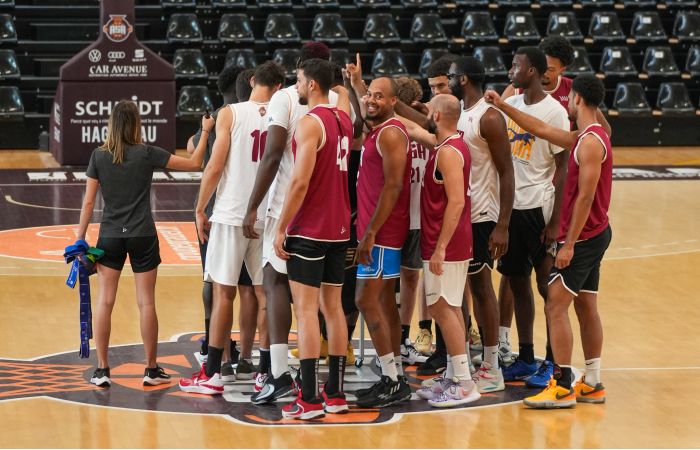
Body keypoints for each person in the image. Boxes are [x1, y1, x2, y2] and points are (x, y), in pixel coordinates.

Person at [485, 73, 613, 408]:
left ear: (579, 100)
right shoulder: (585, 135)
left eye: (571, 97)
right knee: (585, 304)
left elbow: (585, 198)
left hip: (584, 236)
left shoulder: (588, 142)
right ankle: (594, 381)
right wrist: (502, 105)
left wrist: (569, 244)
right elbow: (541, 130)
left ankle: (563, 385)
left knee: (555, 304)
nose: (567, 100)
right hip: (596, 232)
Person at [78, 100, 214, 387]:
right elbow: (194, 163)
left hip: (110, 236)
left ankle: (102, 370)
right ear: (136, 124)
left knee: (105, 301)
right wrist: (205, 131)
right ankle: (151, 369)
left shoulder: (98, 156)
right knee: (146, 302)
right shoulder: (146, 153)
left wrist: (79, 239)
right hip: (143, 235)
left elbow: (89, 201)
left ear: (112, 125)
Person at [178, 61, 286, 395]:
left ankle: (212, 372)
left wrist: (199, 207)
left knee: (223, 289)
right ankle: (265, 370)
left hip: (230, 212)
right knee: (263, 292)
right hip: (267, 214)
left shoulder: (230, 112)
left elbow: (214, 165)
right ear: (280, 87)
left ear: (253, 81)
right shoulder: (286, 114)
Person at [242, 42, 340, 404]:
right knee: (324, 301)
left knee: (276, 282)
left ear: (305, 73)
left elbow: (271, 155)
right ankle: (329, 383)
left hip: (289, 205)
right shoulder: (339, 104)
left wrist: (252, 205)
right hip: (330, 211)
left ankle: (281, 372)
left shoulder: (287, 99)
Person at [272, 59, 353, 420]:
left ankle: (307, 397)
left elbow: (300, 181)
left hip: (309, 228)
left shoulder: (310, 122)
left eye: (301, 80)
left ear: (315, 85)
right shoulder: (344, 120)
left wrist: (281, 226)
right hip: (339, 228)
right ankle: (335, 393)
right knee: (332, 308)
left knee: (305, 310)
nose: (297, 85)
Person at [345, 63, 412, 407]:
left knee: (365, 300)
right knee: (384, 301)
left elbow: (395, 185)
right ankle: (395, 374)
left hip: (382, 232)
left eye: (378, 96)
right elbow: (367, 103)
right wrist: (358, 86)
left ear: (393, 101)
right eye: (369, 94)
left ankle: (391, 378)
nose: (371, 100)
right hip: (380, 230)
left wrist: (370, 233)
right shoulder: (382, 127)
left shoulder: (390, 133)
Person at [186, 66, 259, 382]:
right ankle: (246, 355)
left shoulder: (222, 119)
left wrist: (203, 132)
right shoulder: (256, 117)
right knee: (251, 290)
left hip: (221, 214)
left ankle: (218, 354)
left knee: (216, 287)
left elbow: (195, 155)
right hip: (254, 213)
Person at [409, 94, 481, 407]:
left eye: (430, 111)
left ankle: (465, 382)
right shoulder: (451, 143)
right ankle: (454, 376)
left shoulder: (449, 153)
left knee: (443, 307)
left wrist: (439, 248)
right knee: (447, 305)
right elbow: (422, 133)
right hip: (447, 240)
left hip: (446, 242)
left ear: (437, 115)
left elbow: (457, 202)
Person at [448, 56, 514, 393]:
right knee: (459, 291)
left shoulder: (489, 118)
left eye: (451, 75)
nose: (447, 79)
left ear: (464, 79)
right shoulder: (458, 112)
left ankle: (491, 366)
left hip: (481, 215)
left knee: (480, 288)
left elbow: (507, 172)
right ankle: (463, 363)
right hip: (461, 214)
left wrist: (503, 225)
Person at [394, 76, 430, 365]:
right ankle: (397, 338)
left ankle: (402, 337)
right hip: (397, 214)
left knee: (410, 277)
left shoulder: (427, 126)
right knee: (399, 280)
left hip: (418, 215)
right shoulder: (390, 127)